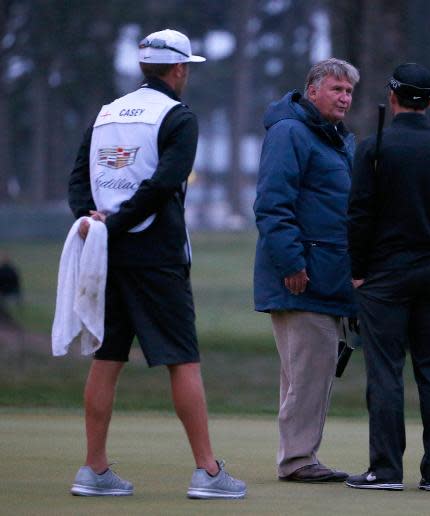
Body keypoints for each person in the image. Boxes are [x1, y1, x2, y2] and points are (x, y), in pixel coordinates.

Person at [67, 29, 246, 499]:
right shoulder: (178, 117)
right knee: (182, 359)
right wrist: (120, 221)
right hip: (155, 256)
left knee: (105, 359)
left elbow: (78, 180)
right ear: (180, 69)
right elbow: (164, 184)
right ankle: (208, 472)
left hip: (105, 252)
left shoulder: (105, 115)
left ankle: (94, 468)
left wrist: (92, 220)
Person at [345, 63, 430, 492]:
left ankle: (385, 470)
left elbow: (359, 215)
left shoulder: (374, 148)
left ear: (393, 97)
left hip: (384, 275)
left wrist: (358, 272)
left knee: (385, 371)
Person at [252, 58, 359, 483]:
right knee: (308, 374)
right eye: (336, 89)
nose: (345, 98)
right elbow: (272, 205)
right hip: (303, 277)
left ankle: (299, 456)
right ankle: (297, 460)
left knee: (308, 373)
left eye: (349, 91)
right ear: (312, 90)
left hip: (328, 276)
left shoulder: (335, 140)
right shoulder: (290, 133)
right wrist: (292, 262)